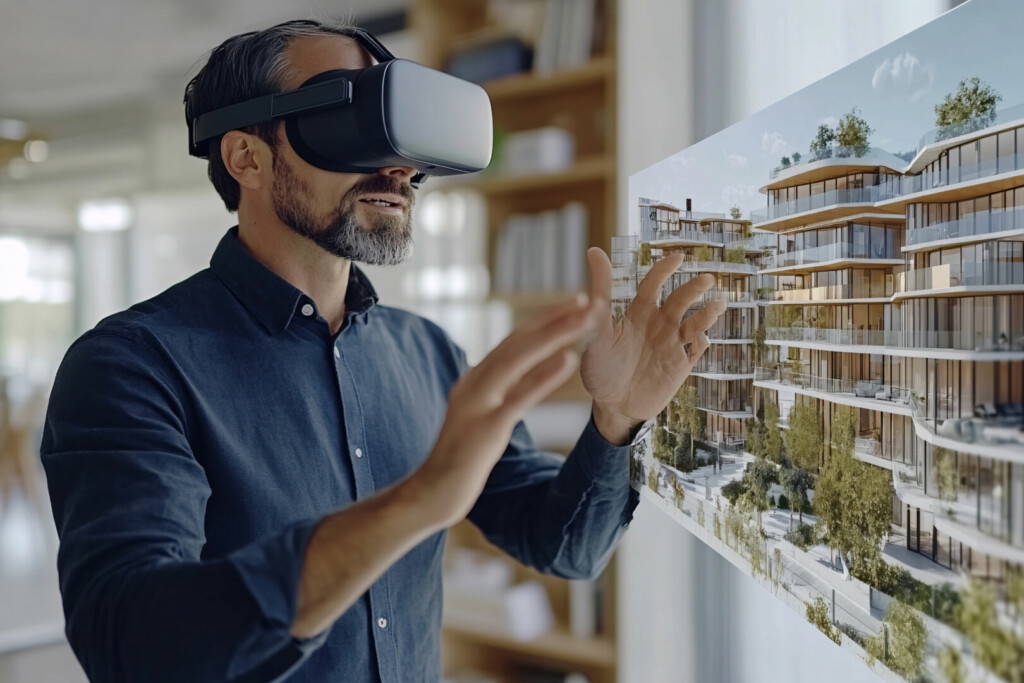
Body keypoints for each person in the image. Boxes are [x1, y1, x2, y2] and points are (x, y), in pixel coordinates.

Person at [40, 19, 724, 683]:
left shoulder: (427, 355)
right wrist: (418, 502)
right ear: (245, 156)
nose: (399, 167)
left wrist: (616, 423)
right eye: (352, 124)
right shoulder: (131, 366)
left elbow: (563, 545)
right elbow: (132, 647)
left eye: (402, 137)